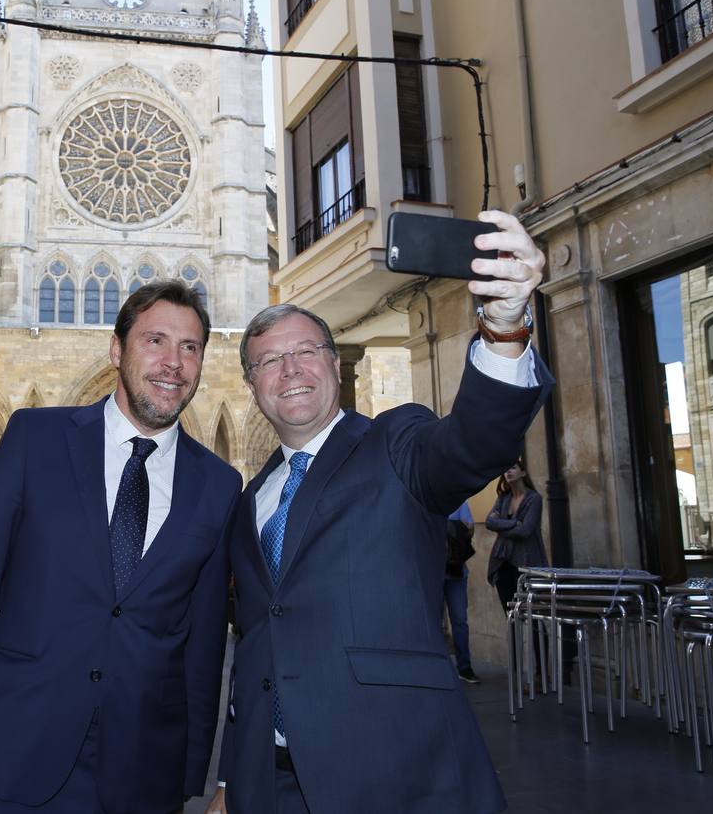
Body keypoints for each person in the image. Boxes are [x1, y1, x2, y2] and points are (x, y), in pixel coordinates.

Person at [209, 210, 553, 814]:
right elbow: (260, 639)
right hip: (272, 781)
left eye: (306, 351)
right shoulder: (250, 500)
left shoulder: (396, 443)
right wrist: (235, 779)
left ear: (335, 364)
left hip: (396, 769)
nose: (289, 370)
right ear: (251, 386)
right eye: (268, 361)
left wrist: (503, 328)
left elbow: (473, 443)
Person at [0, 281, 242, 814]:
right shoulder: (35, 439)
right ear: (117, 349)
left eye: (190, 348)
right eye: (155, 341)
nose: (174, 363)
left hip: (145, 776)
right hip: (16, 757)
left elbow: (204, 647)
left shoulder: (218, 484)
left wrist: (188, 778)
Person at [486, 460, 548, 610]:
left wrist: (500, 524)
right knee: (511, 614)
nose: (508, 471)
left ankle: (540, 635)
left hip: (525, 562)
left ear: (523, 473)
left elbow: (525, 530)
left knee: (531, 613)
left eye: (513, 468)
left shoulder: (534, 499)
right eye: (505, 469)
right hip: (502, 561)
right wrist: (514, 523)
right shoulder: (503, 499)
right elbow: (489, 522)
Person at [445, 501, 479, 684]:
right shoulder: (425, 498)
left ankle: (464, 667)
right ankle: (441, 668)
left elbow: (470, 529)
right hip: (433, 570)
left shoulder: (459, 502)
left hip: (456, 569)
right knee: (434, 621)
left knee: (459, 620)